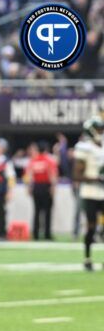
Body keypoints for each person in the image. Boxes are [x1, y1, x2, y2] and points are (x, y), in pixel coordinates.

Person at [72, 116, 104, 271]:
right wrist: (96, 178)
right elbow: (77, 175)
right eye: (99, 129)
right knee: (91, 227)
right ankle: (87, 257)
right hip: (90, 192)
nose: (101, 132)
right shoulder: (84, 147)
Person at [25, 141, 58, 240]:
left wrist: (29, 187)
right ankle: (47, 234)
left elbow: (29, 175)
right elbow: (52, 174)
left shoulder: (33, 161)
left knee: (36, 211)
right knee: (47, 212)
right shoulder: (49, 160)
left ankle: (35, 234)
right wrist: (53, 187)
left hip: (36, 187)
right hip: (46, 187)